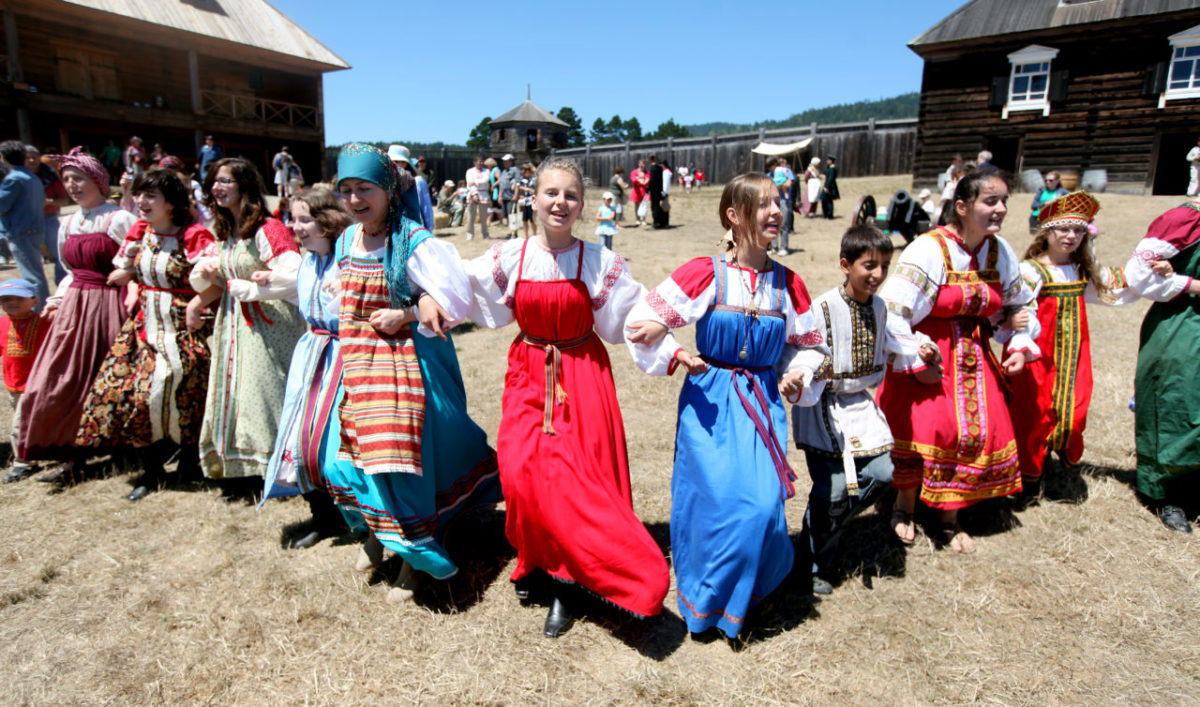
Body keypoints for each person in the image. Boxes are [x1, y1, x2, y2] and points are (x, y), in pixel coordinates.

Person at [462, 157, 669, 638]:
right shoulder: (509, 256)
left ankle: (567, 581)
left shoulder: (599, 262)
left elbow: (633, 317)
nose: (560, 202)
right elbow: (461, 289)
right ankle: (537, 555)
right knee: (520, 472)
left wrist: (671, 346)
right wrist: (424, 301)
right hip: (529, 371)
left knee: (570, 479)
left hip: (581, 374)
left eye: (570, 195)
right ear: (532, 198)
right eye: (551, 193)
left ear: (581, 206)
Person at [625, 172, 828, 639]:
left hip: (761, 402)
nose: (776, 212)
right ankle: (706, 602)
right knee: (710, 504)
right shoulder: (705, 273)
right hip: (710, 401)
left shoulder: (789, 284)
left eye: (779, 203)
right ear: (734, 216)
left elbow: (809, 345)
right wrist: (673, 348)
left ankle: (744, 596)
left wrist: (798, 372)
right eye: (763, 205)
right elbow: (644, 321)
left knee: (758, 505)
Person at [326, 143, 501, 602]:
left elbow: (456, 303)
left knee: (400, 459)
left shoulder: (415, 241)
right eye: (346, 190)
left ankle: (414, 555)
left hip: (408, 365)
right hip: (359, 364)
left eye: (364, 188)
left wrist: (406, 312)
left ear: (387, 188)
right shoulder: (347, 239)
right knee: (349, 454)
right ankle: (378, 534)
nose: (355, 198)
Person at [876, 171, 1040, 553]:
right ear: (962, 207)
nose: (999, 209)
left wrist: (1016, 341)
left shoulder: (1000, 252)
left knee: (976, 434)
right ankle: (904, 506)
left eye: (1003, 202)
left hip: (976, 359)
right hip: (928, 357)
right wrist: (918, 361)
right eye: (990, 201)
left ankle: (951, 515)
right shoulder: (928, 249)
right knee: (929, 431)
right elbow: (893, 313)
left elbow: (1019, 304)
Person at [791, 225, 938, 595]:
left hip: (860, 404)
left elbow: (895, 338)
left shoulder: (881, 307)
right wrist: (802, 375)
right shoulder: (823, 308)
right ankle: (815, 563)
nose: (877, 275)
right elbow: (801, 350)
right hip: (823, 406)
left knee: (886, 471)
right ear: (846, 264)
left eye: (885, 266)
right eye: (869, 265)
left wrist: (918, 348)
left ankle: (827, 524)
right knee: (832, 488)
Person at [76, 168, 216, 501]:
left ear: (171, 203)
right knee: (133, 394)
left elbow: (213, 279)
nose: (141, 201)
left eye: (150, 195)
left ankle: (189, 464)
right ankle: (151, 470)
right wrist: (126, 272)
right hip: (143, 326)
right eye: (139, 194)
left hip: (183, 326)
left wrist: (196, 303)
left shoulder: (195, 235)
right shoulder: (142, 231)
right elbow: (122, 266)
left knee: (184, 393)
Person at [1007, 192, 1158, 500]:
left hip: (1073, 354)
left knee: (1073, 410)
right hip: (1038, 354)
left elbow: (1118, 285)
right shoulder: (1031, 270)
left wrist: (1154, 268)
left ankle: (1049, 460)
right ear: (1047, 231)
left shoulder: (1081, 269)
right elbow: (1017, 309)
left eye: (1078, 230)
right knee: (1033, 412)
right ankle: (1027, 478)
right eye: (1063, 229)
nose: (1071, 236)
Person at [20, 147, 136, 482]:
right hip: (77, 305)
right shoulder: (67, 222)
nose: (72, 185)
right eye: (66, 179)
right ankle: (70, 452)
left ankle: (122, 446)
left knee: (109, 379)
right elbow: (69, 270)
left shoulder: (119, 219)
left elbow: (134, 261)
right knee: (61, 380)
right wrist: (57, 299)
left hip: (112, 306)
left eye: (79, 178)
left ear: (99, 181)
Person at [188, 157, 307, 479]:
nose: (217, 187)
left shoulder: (268, 229)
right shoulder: (226, 231)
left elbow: (293, 275)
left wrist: (256, 287)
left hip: (271, 323)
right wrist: (203, 289)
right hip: (236, 324)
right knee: (243, 392)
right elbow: (226, 278)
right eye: (214, 181)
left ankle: (285, 467)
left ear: (245, 186)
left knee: (269, 391)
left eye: (226, 180)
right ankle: (245, 466)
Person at [259, 187, 354, 548]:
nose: (295, 227)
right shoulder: (308, 261)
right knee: (300, 437)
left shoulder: (347, 260)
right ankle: (323, 516)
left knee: (334, 442)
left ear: (328, 220)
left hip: (342, 356)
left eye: (304, 219)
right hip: (311, 354)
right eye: (292, 219)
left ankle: (358, 517)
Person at [1122, 195, 1200, 532]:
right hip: (1185, 323)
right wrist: (1192, 284)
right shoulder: (1184, 219)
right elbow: (1138, 275)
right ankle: (1170, 494)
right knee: (1178, 404)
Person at [0, 279, 48, 483]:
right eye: (6, 299)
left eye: (19, 298)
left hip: (38, 385)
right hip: (14, 385)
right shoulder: (2, 324)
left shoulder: (44, 324)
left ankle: (23, 463)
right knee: (27, 422)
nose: (12, 302)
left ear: (34, 301)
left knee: (20, 424)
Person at [0, 140, 49, 307]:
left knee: (32, 277)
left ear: (3, 158)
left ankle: (38, 312)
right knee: (37, 274)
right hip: (36, 229)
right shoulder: (32, 177)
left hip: (21, 232)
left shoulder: (13, 180)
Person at [30, 147, 69, 284]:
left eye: (34, 156)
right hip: (27, 222)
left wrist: (49, 202)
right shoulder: (16, 179)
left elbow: (64, 200)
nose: (32, 160)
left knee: (59, 255)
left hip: (49, 219)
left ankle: (61, 286)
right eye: (27, 157)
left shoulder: (51, 177)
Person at [387, 144, 434, 231]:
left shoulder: (417, 181)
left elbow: (426, 206)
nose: (394, 164)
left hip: (412, 227)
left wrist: (429, 229)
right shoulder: (384, 181)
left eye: (398, 161)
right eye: (393, 161)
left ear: (405, 163)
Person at [159, 155, 213, 225]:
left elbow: (206, 217)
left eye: (170, 169)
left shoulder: (192, 186)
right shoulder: (159, 188)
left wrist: (188, 202)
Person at [772, 157, 795, 255]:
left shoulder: (788, 171)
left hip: (784, 202)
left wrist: (780, 186)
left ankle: (784, 247)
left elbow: (789, 183)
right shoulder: (773, 172)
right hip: (774, 202)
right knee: (773, 225)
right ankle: (774, 247)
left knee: (784, 225)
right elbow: (772, 185)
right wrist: (781, 185)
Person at [464, 156, 491, 240]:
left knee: (483, 216)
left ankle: (485, 233)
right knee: (471, 216)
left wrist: (475, 182)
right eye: (479, 161)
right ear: (474, 162)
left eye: (482, 161)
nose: (481, 163)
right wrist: (474, 193)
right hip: (472, 194)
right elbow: (469, 183)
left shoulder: (486, 171)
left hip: (483, 193)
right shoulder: (470, 171)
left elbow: (486, 180)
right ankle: (470, 234)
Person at [498, 153, 520, 227]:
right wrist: (500, 196)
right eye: (504, 161)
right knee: (506, 214)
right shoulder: (503, 172)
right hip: (504, 196)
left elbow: (517, 183)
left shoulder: (515, 170)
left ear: (511, 161)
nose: (504, 163)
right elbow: (501, 184)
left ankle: (513, 230)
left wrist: (516, 195)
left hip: (511, 196)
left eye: (506, 161)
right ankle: (509, 229)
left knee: (511, 213)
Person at [516, 164, 536, 238]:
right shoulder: (522, 180)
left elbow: (535, 190)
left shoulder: (533, 180)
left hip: (531, 201)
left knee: (532, 219)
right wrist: (520, 194)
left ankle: (534, 234)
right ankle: (526, 235)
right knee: (524, 220)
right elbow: (519, 189)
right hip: (524, 202)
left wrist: (528, 189)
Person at [649, 154, 668, 229]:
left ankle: (656, 222)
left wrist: (648, 188)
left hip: (654, 191)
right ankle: (662, 222)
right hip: (660, 190)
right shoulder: (660, 168)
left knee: (655, 207)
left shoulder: (653, 168)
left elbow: (652, 180)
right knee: (658, 206)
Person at [630, 158, 650, 227]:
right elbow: (633, 179)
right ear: (638, 164)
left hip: (644, 191)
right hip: (637, 190)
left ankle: (644, 219)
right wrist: (638, 177)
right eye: (641, 164)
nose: (642, 165)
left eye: (643, 164)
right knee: (637, 206)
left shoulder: (647, 172)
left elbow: (647, 180)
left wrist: (643, 179)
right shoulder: (634, 172)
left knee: (644, 206)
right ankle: (637, 219)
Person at [820, 155, 839, 220]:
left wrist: (827, 187)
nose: (827, 161)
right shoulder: (829, 167)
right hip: (827, 185)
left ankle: (829, 215)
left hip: (830, 186)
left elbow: (830, 179)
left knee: (828, 201)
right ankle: (825, 214)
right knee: (824, 200)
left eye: (828, 160)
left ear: (831, 161)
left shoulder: (832, 168)